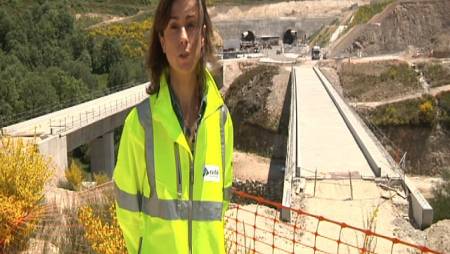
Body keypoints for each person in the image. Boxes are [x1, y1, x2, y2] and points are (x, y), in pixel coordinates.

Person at [113, 0, 233, 253]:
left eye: (190, 25)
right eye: (174, 27)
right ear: (162, 41)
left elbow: (221, 206)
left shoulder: (221, 121)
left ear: (202, 35)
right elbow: (127, 214)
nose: (183, 38)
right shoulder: (141, 125)